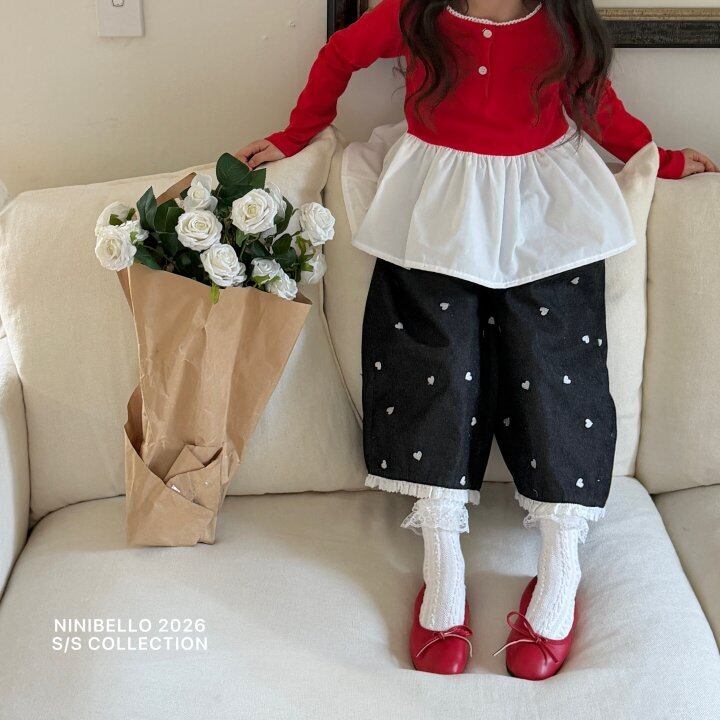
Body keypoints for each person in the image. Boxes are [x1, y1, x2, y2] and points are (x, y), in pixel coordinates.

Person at [237, 0, 717, 679]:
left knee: (558, 372)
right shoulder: (416, 13)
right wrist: (296, 133)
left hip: (546, 206)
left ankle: (560, 565)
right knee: (433, 363)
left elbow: (598, 107)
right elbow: (341, 53)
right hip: (436, 202)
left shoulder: (562, 25)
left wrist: (656, 158)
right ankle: (443, 566)